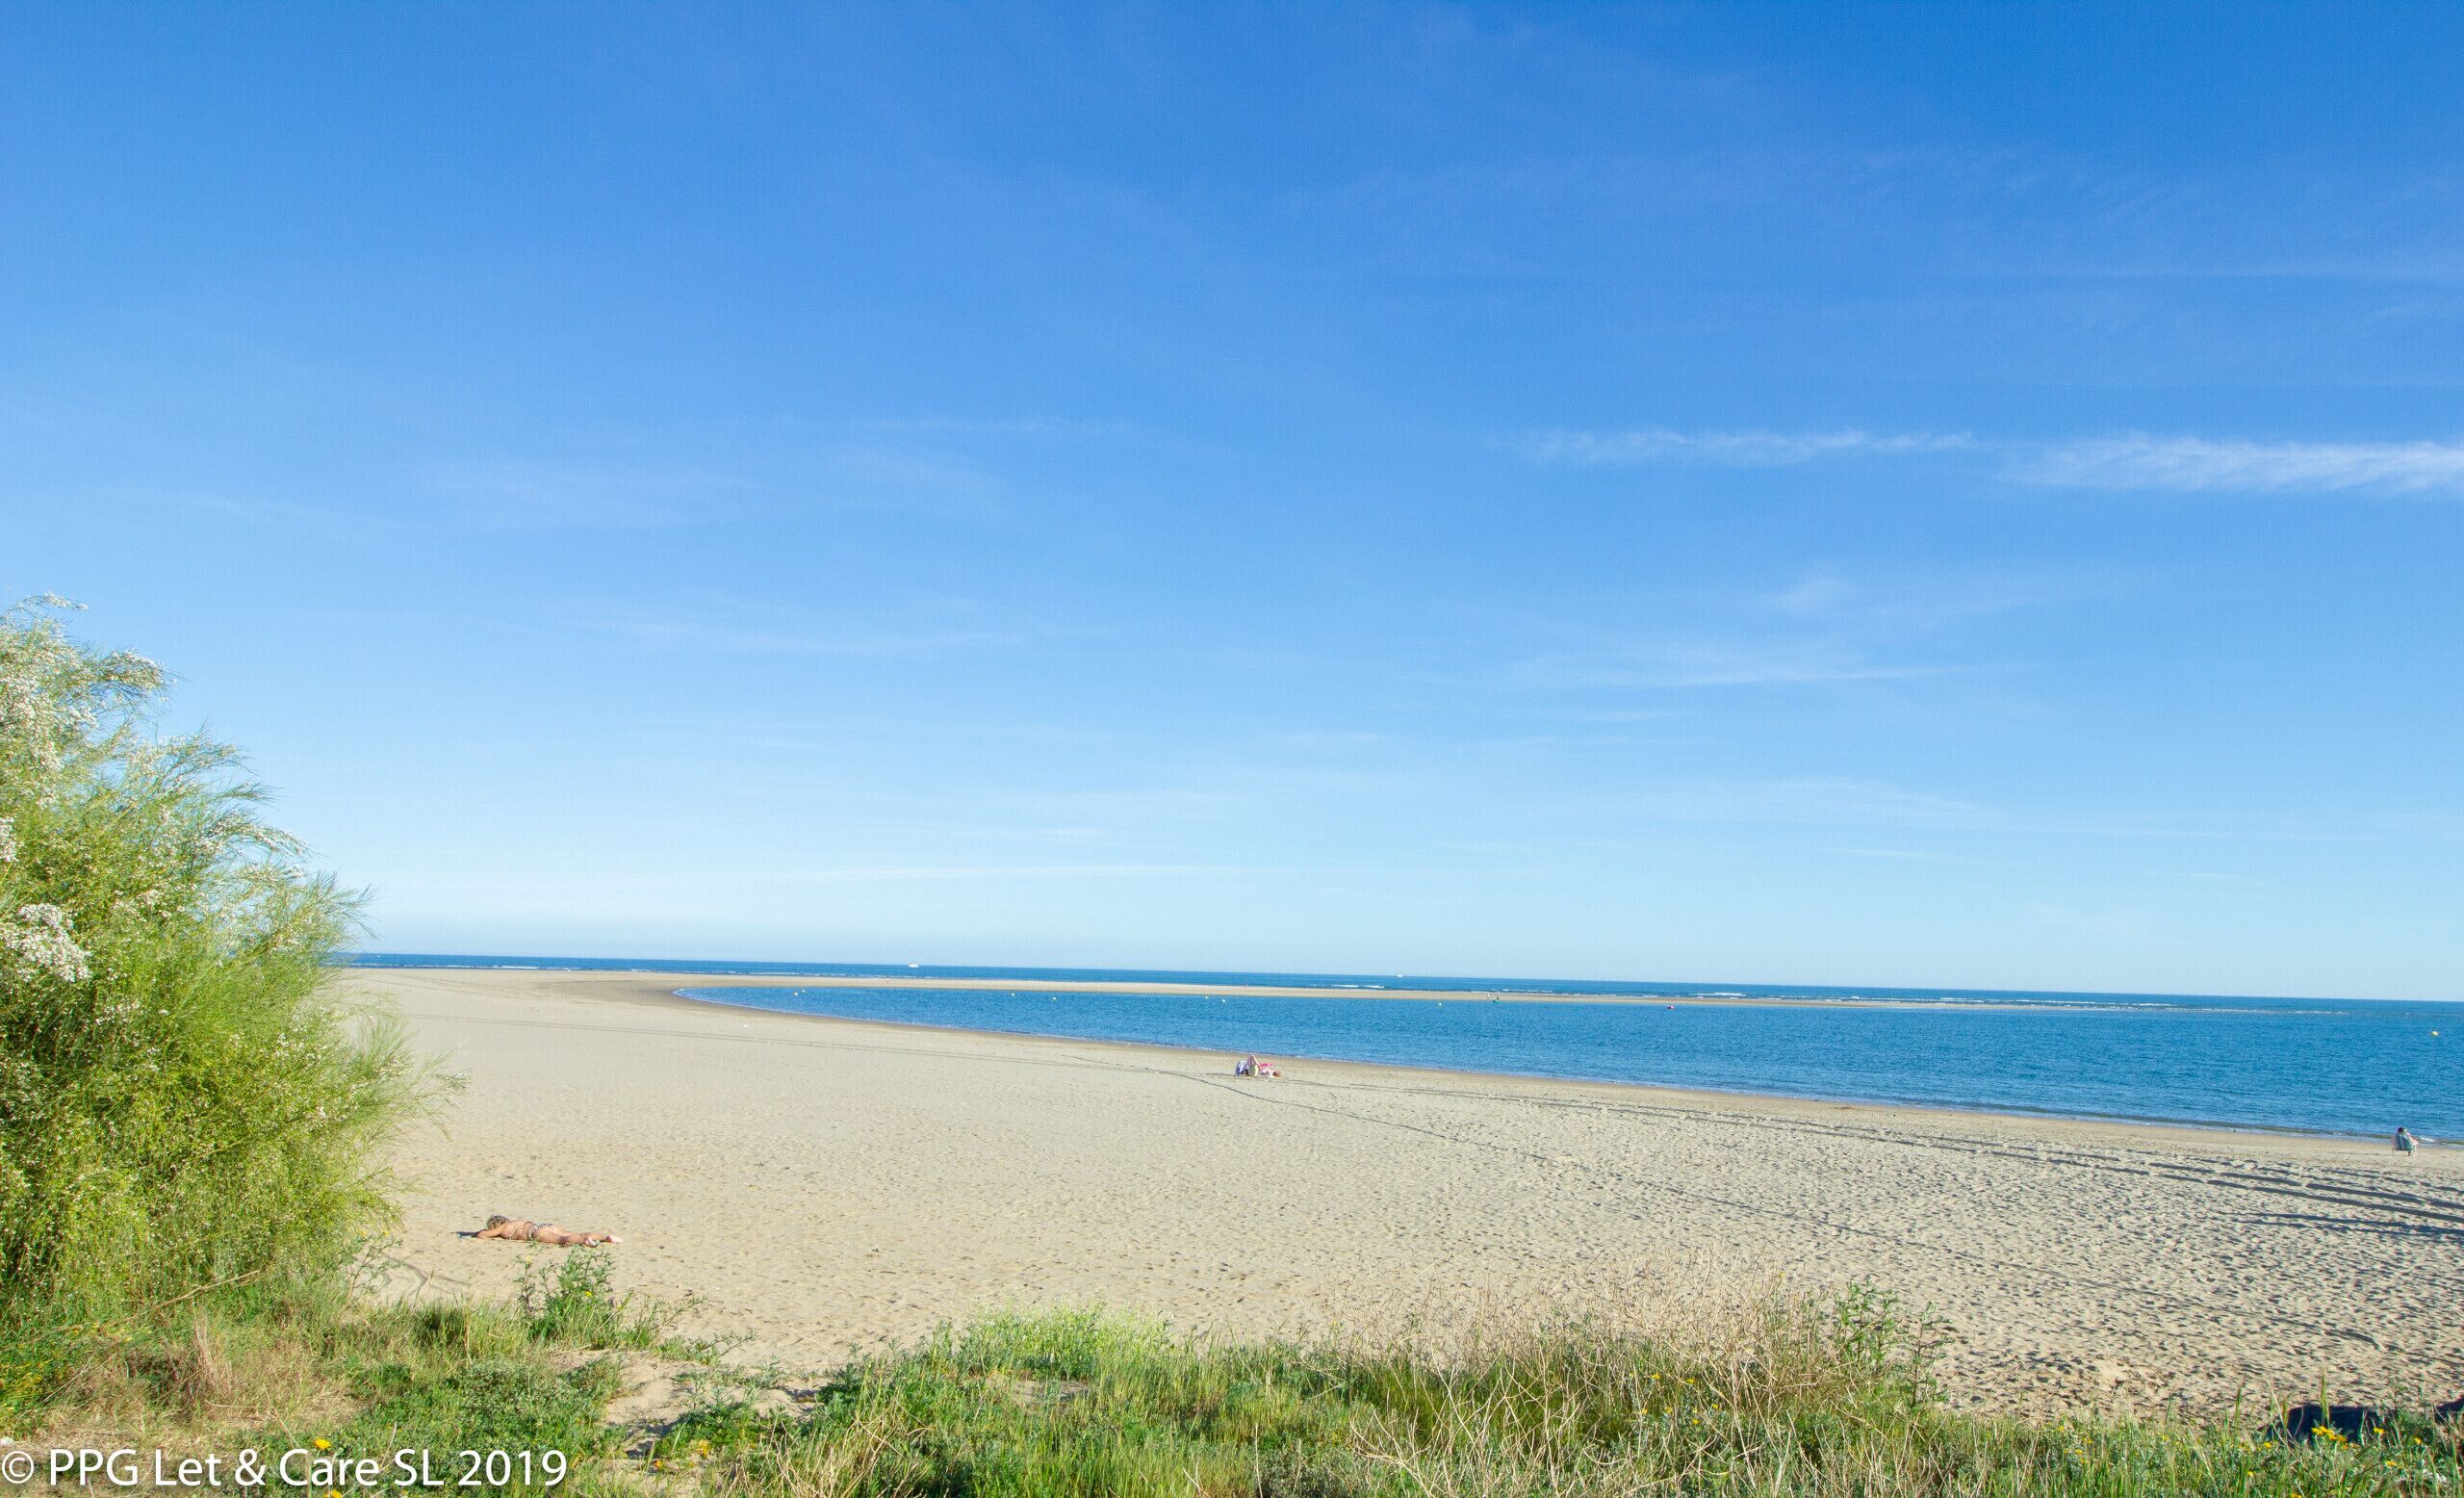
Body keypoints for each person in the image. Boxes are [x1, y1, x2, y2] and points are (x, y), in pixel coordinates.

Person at [471, 1214, 620, 1246]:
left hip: (535, 1233)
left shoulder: (504, 1227)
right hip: (543, 1225)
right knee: (574, 1233)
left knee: (562, 1240)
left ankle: (584, 1241)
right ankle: (606, 1237)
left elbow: (482, 1234)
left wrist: (481, 1233)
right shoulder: (516, 1221)